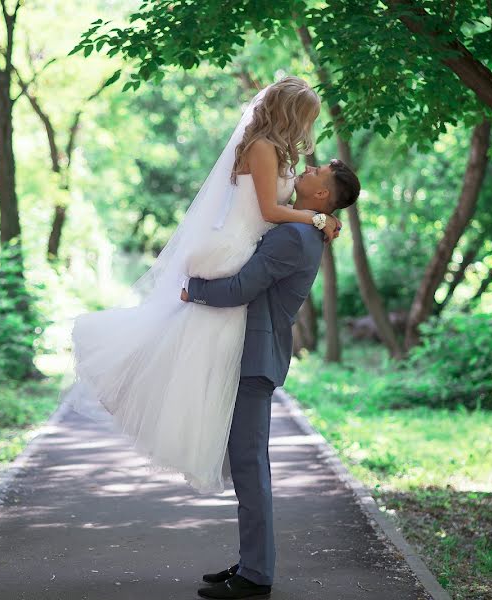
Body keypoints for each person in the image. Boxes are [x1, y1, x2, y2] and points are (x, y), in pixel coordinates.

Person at [63, 77, 342, 494]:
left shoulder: (278, 152)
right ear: (290, 114)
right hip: (236, 244)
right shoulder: (262, 148)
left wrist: (312, 216)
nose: (309, 130)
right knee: (199, 345)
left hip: (250, 245)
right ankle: (150, 399)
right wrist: (317, 218)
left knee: (205, 353)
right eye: (307, 119)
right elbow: (269, 210)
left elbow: (276, 207)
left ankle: (200, 436)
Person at [190, 158, 361, 599]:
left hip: (254, 358)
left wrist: (194, 291)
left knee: (250, 466)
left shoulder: (294, 236)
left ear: (322, 194)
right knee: (249, 464)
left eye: (318, 170)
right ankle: (252, 562)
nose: (309, 166)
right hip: (250, 355)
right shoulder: (305, 227)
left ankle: (256, 575)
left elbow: (241, 288)